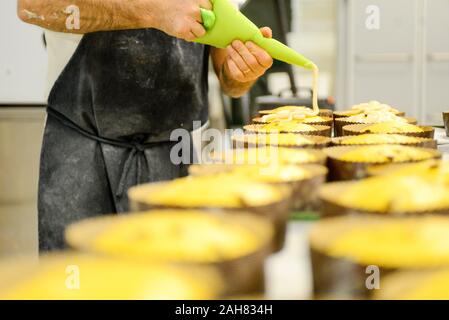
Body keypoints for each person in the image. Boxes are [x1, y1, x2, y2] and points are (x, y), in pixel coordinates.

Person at [17, 0, 274, 251]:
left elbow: (229, 76)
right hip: (80, 156)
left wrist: (241, 73)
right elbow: (34, 6)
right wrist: (154, 12)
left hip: (180, 157)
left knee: (176, 285)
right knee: (78, 285)